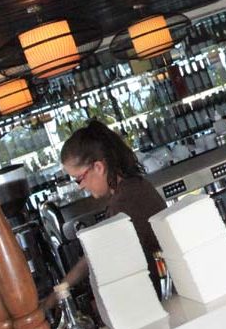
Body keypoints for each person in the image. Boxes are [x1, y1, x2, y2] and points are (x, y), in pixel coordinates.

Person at [42, 119, 167, 310]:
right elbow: (94, 255)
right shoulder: (133, 187)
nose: (81, 186)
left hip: (158, 301)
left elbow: (113, 264)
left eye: (79, 179)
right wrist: (57, 294)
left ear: (99, 167)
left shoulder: (124, 203)